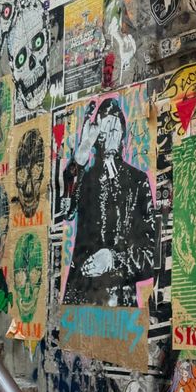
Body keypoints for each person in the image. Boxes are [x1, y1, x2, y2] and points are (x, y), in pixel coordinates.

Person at [61, 98, 155, 307]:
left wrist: (114, 259)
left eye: (115, 130)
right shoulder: (84, 176)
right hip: (80, 296)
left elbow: (151, 256)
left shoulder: (137, 181)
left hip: (118, 302)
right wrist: (82, 152)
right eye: (103, 132)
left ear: (123, 134)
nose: (109, 138)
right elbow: (65, 212)